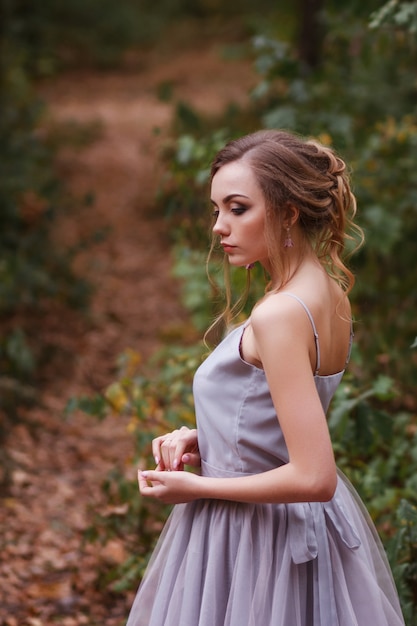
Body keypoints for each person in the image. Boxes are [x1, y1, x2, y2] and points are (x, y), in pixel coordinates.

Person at [126, 130, 405, 626]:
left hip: (255, 540)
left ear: (288, 212)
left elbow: (314, 477)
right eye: (216, 210)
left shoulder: (279, 314)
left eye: (237, 208)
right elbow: (279, 416)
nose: (218, 227)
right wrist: (208, 438)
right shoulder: (327, 291)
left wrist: (199, 487)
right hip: (293, 531)